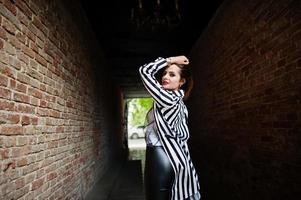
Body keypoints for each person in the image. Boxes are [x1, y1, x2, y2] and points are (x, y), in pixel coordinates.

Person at [139, 56, 201, 200]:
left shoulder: (167, 100)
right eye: (165, 73)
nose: (165, 76)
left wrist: (172, 59)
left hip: (160, 157)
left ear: (182, 81)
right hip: (178, 160)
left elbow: (145, 70)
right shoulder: (180, 104)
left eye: (172, 74)